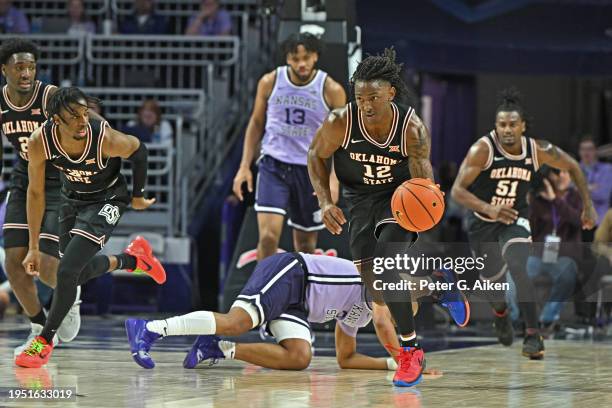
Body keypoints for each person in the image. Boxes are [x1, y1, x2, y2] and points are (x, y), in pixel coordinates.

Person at [307, 48, 458, 387]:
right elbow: (315, 157)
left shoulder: (412, 129)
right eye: (360, 97)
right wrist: (325, 202)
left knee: (388, 266)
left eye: (373, 96)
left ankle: (410, 351)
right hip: (359, 200)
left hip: (400, 199)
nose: (367, 104)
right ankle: (436, 287)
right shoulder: (340, 122)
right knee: (376, 291)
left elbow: (421, 177)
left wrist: (429, 195)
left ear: (391, 92)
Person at [14, 87, 167, 368]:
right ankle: (133, 259)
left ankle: (44, 342)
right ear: (56, 120)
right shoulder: (40, 142)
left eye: (85, 113)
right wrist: (34, 247)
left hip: (108, 198)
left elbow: (139, 150)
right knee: (74, 273)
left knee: (67, 271)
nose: (82, 120)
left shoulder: (103, 137)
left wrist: (137, 196)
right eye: (74, 116)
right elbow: (35, 194)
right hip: (71, 200)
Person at [125, 252, 468, 371]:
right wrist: (409, 358)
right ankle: (151, 328)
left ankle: (216, 348)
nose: (400, 315)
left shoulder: (362, 313)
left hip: (298, 306)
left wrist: (393, 363)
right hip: (291, 273)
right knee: (236, 322)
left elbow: (346, 358)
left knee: (300, 356)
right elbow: (384, 320)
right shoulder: (380, 280)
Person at [451, 88, 596, 359]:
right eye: (502, 125)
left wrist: (587, 206)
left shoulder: (537, 150)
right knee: (494, 288)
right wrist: (489, 208)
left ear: (523, 126)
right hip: (483, 222)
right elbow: (457, 191)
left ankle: (533, 335)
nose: (507, 130)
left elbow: (574, 166)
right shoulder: (481, 150)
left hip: (515, 218)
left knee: (519, 266)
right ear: (496, 127)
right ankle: (500, 313)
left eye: (512, 124)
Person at [0, 38, 86, 357]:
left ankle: (70, 295)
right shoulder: (2, 102)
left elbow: (87, 125)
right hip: (24, 176)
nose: (26, 73)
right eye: (19, 67)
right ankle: (39, 330)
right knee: (14, 262)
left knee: (48, 265)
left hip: (58, 180)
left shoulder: (50, 97)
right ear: (4, 70)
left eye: (31, 67)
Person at [233, 33, 346, 260]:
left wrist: (333, 180)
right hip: (273, 165)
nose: (301, 64)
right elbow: (256, 123)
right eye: (295, 58)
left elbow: (342, 139)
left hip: (311, 170)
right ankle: (264, 292)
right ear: (287, 59)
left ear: (315, 56)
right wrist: (244, 166)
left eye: (306, 57)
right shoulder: (270, 82)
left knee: (305, 245)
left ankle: (301, 294)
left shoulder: (332, 89)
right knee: (267, 237)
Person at [506, 166, 580, 335]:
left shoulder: (576, 197)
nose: (560, 177)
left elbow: (577, 221)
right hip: (538, 255)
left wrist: (555, 200)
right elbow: (528, 230)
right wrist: (528, 202)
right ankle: (515, 320)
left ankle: (547, 320)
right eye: (556, 174)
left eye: (564, 173)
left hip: (563, 256)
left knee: (568, 273)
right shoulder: (538, 200)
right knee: (512, 274)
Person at [578, 136, 612, 229]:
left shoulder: (607, 169)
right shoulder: (574, 170)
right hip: (578, 223)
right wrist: (590, 187)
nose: (586, 152)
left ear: (596, 151)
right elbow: (569, 193)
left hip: (600, 224)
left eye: (589, 149)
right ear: (579, 151)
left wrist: (580, 188)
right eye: (583, 149)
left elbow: (603, 195)